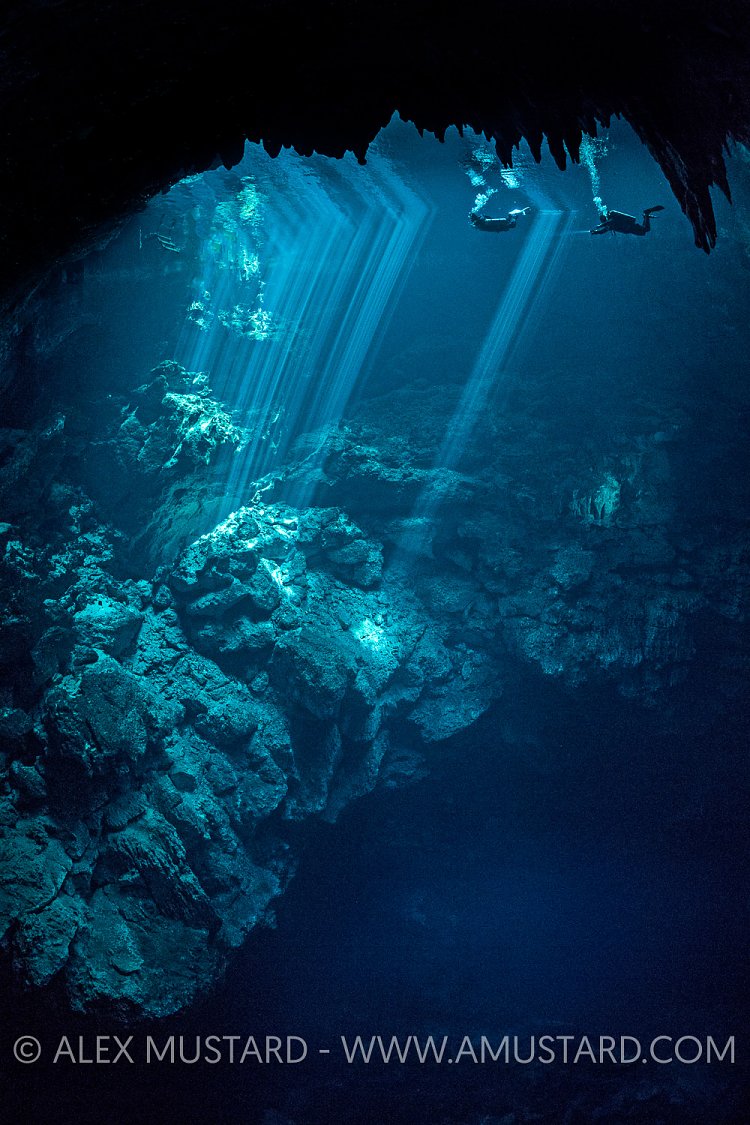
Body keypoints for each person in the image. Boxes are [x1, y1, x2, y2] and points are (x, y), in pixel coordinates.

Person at [590, 205, 664, 237]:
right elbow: (603, 231)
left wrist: (600, 226)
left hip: (631, 227)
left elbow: (611, 221)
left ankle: (646, 214)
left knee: (646, 229)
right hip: (630, 229)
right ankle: (646, 215)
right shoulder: (609, 226)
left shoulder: (611, 221)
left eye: (603, 222)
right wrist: (596, 232)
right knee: (644, 231)